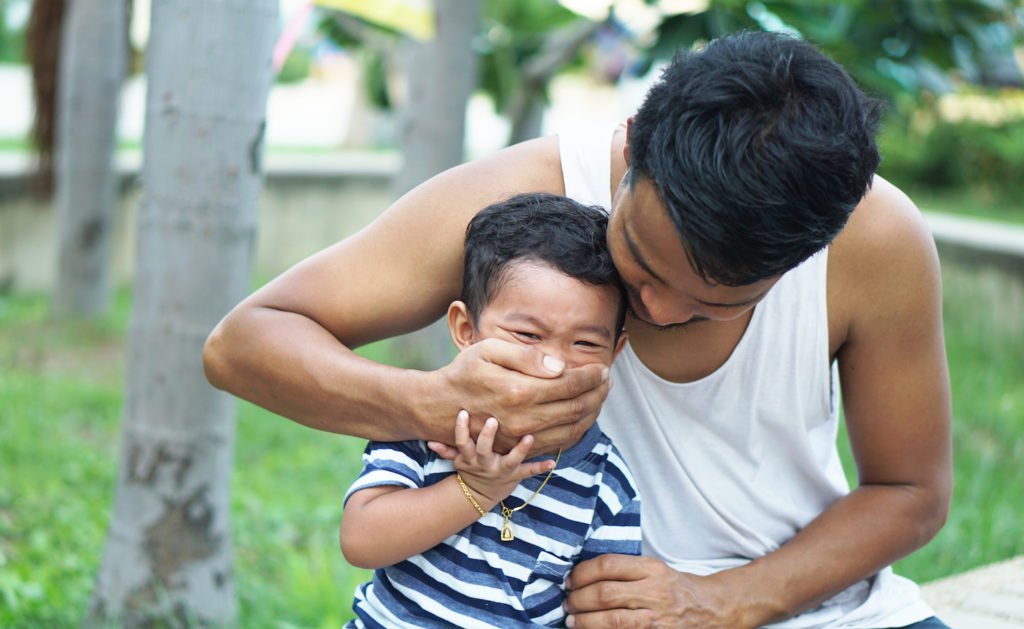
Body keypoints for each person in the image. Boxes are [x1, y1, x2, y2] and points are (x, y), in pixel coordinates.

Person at [203, 30, 952, 628]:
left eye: (711, 302)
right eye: (639, 260)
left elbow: (911, 489)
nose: (654, 311)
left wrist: (729, 600)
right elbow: (245, 343)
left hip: (814, 604)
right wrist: (431, 406)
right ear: (631, 151)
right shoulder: (524, 194)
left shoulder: (877, 244)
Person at [339, 193, 640, 628]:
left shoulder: (606, 484)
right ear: (466, 329)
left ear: (615, 352)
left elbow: (604, 609)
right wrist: (475, 490)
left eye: (586, 344)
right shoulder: (426, 423)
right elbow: (361, 540)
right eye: (528, 335)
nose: (553, 364)